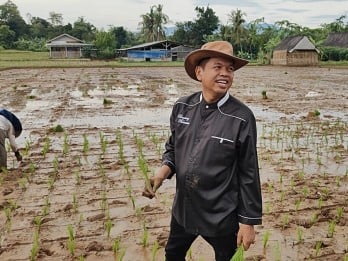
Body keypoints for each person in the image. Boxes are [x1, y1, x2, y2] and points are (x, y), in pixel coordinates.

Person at [143, 40, 262, 261]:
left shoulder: (241, 117)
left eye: (230, 69)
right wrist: (162, 172)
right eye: (218, 67)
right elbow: (173, 148)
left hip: (221, 214)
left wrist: (248, 222)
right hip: (184, 209)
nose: (225, 73)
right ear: (199, 72)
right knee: (173, 254)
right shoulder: (182, 107)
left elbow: (249, 172)